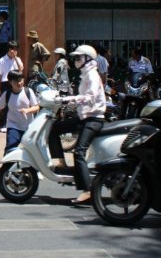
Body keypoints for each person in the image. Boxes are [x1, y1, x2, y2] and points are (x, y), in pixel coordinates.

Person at [57, 44, 106, 205]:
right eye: (75, 58)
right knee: (55, 127)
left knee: (79, 152)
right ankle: (60, 161)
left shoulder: (92, 74)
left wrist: (70, 99)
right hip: (84, 116)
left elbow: (90, 97)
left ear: (87, 59)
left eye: (79, 58)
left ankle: (87, 191)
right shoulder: (85, 74)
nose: (76, 60)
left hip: (94, 119)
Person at [0, 70, 40, 155]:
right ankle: (7, 166)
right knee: (10, 149)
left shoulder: (28, 91)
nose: (19, 83)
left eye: (21, 80)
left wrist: (27, 110)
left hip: (28, 127)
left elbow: (37, 107)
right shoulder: (7, 94)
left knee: (32, 152)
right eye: (16, 81)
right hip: (13, 126)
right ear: (10, 82)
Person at [0, 41, 24, 133]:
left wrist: (16, 58)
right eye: (14, 49)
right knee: (4, 105)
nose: (15, 51)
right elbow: (0, 75)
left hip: (16, 82)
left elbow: (21, 69)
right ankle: (3, 125)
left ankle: (15, 123)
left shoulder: (17, 59)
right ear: (10, 49)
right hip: (5, 83)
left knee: (16, 103)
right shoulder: (2, 60)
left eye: (16, 49)